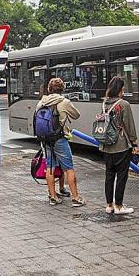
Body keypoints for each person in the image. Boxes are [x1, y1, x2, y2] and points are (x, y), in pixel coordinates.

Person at [36, 77, 86, 207]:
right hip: (59, 138)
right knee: (68, 168)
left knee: (50, 167)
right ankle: (76, 198)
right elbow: (76, 115)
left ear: (49, 89)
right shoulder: (64, 102)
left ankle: (52, 197)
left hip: (45, 139)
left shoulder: (41, 102)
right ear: (62, 89)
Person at [100, 76, 139, 215]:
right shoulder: (123, 104)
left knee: (109, 175)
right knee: (122, 175)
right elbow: (129, 126)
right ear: (121, 89)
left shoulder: (105, 103)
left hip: (106, 145)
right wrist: (134, 143)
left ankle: (109, 205)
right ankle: (119, 206)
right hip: (121, 145)